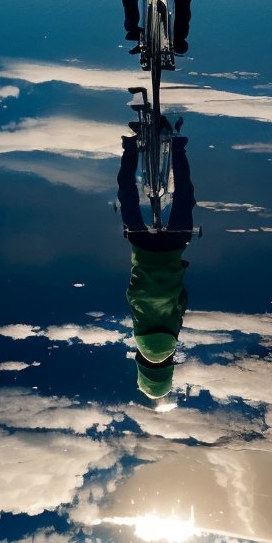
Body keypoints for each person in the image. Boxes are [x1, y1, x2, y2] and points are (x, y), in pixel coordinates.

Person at [117, 124, 195, 400]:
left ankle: (178, 147)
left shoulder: (172, 339)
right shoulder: (140, 337)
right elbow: (133, 297)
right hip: (143, 251)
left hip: (173, 250)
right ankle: (129, 148)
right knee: (127, 200)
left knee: (185, 199)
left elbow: (181, 302)